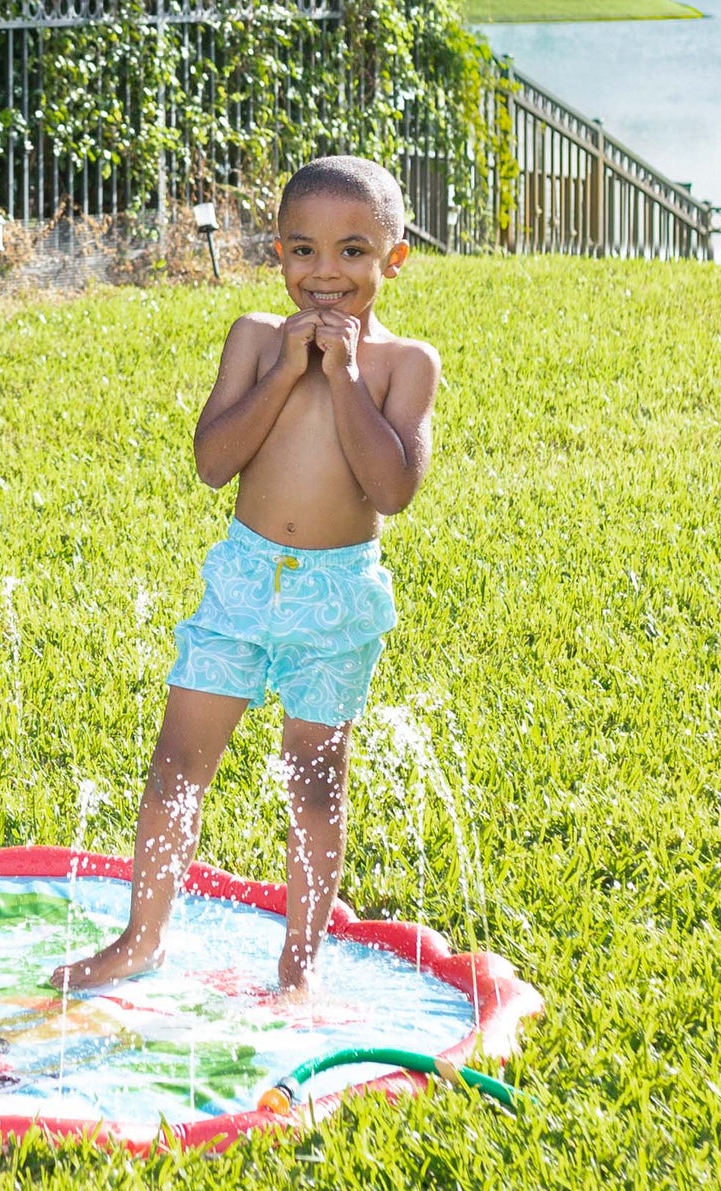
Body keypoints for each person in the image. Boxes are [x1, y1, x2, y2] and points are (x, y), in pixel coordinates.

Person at [51, 156, 440, 996]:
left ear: (392, 260)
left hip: (335, 597)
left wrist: (340, 378)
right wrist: (285, 372)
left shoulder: (405, 365)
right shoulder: (255, 338)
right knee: (177, 763)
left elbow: (393, 489)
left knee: (314, 779)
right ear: (277, 254)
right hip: (241, 581)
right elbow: (213, 462)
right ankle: (140, 936)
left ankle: (297, 965)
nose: (326, 273)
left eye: (352, 252)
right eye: (304, 251)